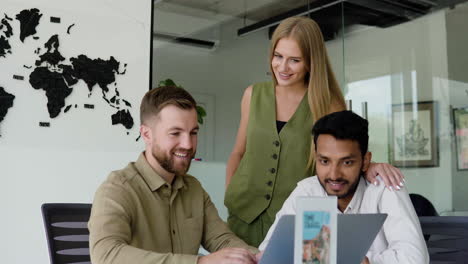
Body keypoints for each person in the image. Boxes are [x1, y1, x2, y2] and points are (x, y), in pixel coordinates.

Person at [224, 16, 405, 247]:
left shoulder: (328, 105)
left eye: (294, 60)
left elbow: (344, 155)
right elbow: (238, 152)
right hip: (242, 216)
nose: (282, 67)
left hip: (305, 218)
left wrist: (372, 166)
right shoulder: (253, 95)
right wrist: (230, 195)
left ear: (311, 62)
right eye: (278, 56)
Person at [88, 85, 259, 264]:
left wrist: (260, 257)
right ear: (147, 134)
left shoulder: (193, 189)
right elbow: (105, 256)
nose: (187, 144)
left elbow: (222, 240)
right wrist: (200, 263)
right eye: (175, 133)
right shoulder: (117, 189)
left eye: (193, 133)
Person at [258, 110, 429, 264]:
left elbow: (414, 259)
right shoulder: (308, 191)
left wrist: (366, 261)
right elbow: (267, 254)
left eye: (347, 162)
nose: (334, 175)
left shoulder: (385, 187)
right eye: (324, 161)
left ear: (366, 161)